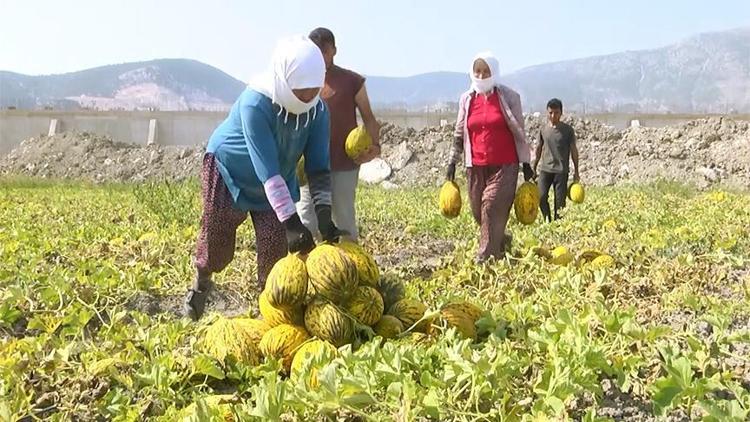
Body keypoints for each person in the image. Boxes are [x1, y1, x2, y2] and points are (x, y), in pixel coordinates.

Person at [184, 35, 345, 321]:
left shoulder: (317, 111)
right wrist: (293, 222)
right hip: (230, 172)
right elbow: (266, 170)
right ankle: (200, 285)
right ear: (284, 79)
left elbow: (318, 167)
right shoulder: (255, 103)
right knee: (216, 243)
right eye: (301, 90)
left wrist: (323, 217)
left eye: (314, 89)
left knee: (275, 253)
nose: (308, 96)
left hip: (276, 182)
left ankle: (270, 314)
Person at [445, 52, 534, 263]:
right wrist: (451, 162)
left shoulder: (509, 97)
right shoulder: (466, 100)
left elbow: (519, 132)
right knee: (479, 213)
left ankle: (486, 257)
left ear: (494, 73)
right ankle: (501, 240)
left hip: (505, 165)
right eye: (478, 71)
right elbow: (459, 133)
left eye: (486, 71)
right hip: (475, 165)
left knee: (490, 206)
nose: (482, 75)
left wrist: (526, 162)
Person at [295, 27, 381, 242]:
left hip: (344, 164)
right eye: (316, 51)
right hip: (310, 166)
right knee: (307, 221)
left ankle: (351, 269)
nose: (322, 56)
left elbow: (369, 118)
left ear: (334, 50)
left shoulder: (352, 81)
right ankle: (309, 269)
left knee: (344, 221)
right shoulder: (300, 80)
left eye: (325, 51)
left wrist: (375, 147)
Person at [532, 98, 580, 222]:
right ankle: (547, 220)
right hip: (545, 169)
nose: (553, 116)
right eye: (550, 113)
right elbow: (538, 148)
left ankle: (558, 227)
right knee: (541, 197)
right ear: (547, 113)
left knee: (560, 204)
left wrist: (576, 171)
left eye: (556, 113)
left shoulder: (567, 130)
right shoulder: (543, 130)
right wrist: (534, 166)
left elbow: (574, 150)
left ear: (561, 113)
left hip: (561, 171)